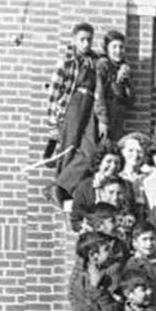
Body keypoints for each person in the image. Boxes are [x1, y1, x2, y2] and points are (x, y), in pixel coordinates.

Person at [46, 22, 101, 204]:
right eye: (82, 40)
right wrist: (53, 123)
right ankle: (60, 191)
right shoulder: (67, 61)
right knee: (68, 148)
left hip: (90, 105)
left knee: (90, 150)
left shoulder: (96, 61)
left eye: (89, 40)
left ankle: (61, 185)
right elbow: (54, 93)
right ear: (74, 40)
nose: (86, 44)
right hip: (72, 105)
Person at [95, 31, 133, 141]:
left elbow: (130, 100)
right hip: (105, 113)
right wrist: (103, 120)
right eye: (114, 47)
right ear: (107, 48)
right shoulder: (103, 64)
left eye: (121, 47)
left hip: (118, 114)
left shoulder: (123, 68)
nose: (118, 51)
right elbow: (99, 93)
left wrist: (126, 81)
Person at [122, 221, 156, 309]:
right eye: (144, 239)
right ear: (135, 243)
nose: (149, 244)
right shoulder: (133, 265)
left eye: (152, 239)